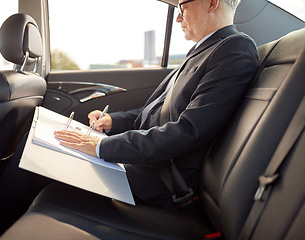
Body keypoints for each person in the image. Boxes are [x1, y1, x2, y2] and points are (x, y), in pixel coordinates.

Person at [54, 0, 259, 209]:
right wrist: (111, 122)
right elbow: (154, 114)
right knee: (57, 161)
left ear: (212, 3)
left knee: (57, 168)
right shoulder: (202, 51)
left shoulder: (233, 49)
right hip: (149, 164)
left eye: (183, 7)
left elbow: (189, 130)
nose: (179, 17)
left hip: (163, 179)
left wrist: (101, 147)